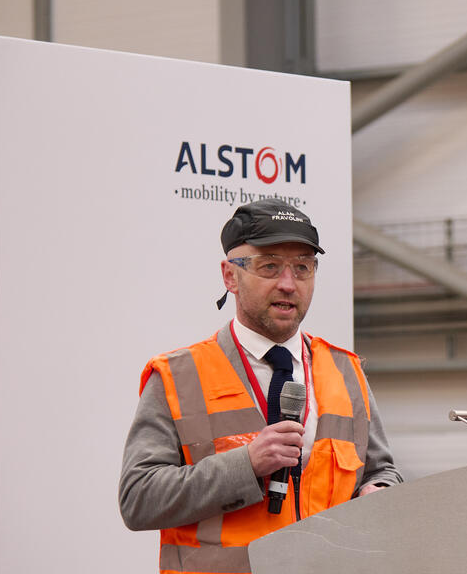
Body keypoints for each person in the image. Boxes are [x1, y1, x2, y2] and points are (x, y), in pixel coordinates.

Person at [119, 199, 401, 574]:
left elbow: (381, 471)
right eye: (269, 266)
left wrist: (379, 491)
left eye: (302, 267)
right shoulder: (177, 377)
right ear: (230, 276)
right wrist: (246, 464)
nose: (288, 284)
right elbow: (138, 499)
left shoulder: (346, 371)